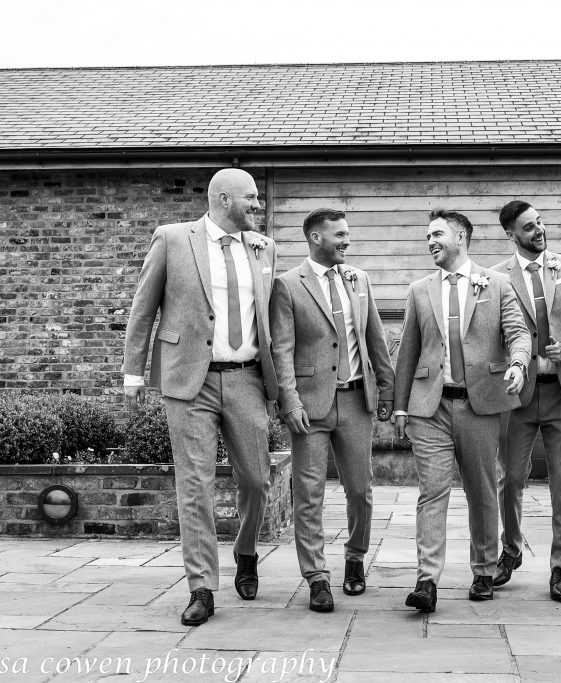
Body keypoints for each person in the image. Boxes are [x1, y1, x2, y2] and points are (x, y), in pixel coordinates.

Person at [122, 168, 278, 626]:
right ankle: (202, 587)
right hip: (188, 380)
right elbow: (143, 307)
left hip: (248, 379)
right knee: (195, 486)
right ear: (224, 199)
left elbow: (275, 318)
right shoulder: (172, 239)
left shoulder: (264, 247)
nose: (258, 206)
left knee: (257, 478)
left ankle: (246, 551)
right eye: (251, 199)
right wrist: (133, 375)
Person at [393, 209, 531, 612]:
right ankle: (426, 580)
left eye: (436, 234)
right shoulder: (420, 290)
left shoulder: (498, 284)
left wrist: (519, 363)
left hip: (480, 404)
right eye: (427, 237)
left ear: (460, 237)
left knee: (482, 491)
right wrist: (400, 407)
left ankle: (485, 570)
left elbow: (518, 333)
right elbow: (407, 352)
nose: (430, 242)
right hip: (430, 405)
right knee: (431, 492)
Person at [270, 208, 394, 613]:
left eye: (347, 234)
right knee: (309, 495)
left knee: (361, 489)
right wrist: (289, 401)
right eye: (339, 235)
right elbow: (282, 349)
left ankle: (355, 558)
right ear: (315, 238)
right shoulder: (287, 285)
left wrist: (388, 389)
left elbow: (375, 337)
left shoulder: (360, 280)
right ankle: (317, 577)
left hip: (357, 402)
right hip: (311, 407)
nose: (346, 241)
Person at [493, 200, 561, 601]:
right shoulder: (496, 278)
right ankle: (511, 551)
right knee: (510, 479)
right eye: (529, 227)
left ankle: (559, 569)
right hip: (516, 394)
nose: (539, 230)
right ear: (511, 235)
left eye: (540, 223)